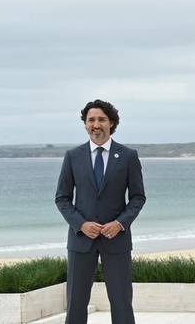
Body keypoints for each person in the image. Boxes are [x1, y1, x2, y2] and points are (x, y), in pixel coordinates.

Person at [54, 99, 147, 324]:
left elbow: (137, 197)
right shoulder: (73, 157)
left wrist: (120, 223)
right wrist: (81, 224)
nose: (96, 124)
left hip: (117, 240)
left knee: (121, 300)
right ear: (85, 124)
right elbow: (62, 198)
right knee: (76, 301)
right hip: (80, 241)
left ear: (111, 123)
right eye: (91, 120)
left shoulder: (127, 156)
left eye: (101, 119)